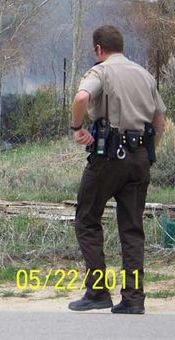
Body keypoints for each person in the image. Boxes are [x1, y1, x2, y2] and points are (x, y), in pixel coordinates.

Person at [67, 25, 166, 315]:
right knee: (133, 229)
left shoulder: (101, 71)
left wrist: (76, 128)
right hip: (139, 158)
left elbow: (82, 98)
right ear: (121, 46)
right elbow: (159, 119)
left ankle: (97, 291)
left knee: (87, 218)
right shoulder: (144, 74)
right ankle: (134, 299)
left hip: (109, 156)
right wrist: (149, 153)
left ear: (99, 49)